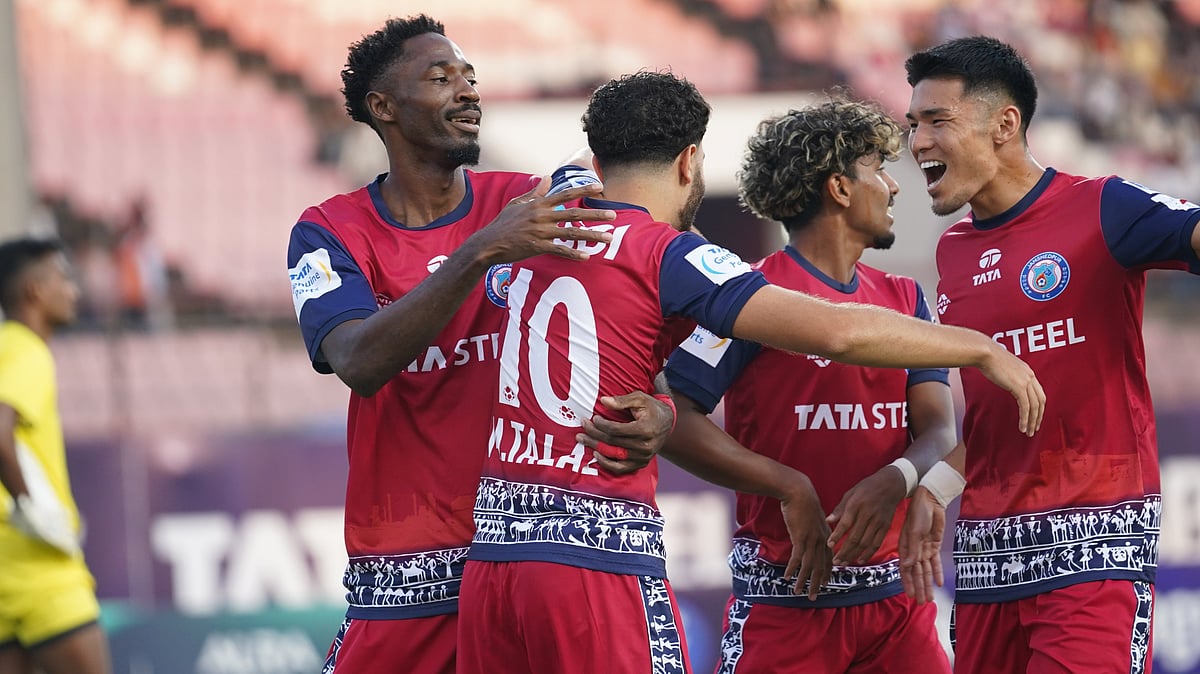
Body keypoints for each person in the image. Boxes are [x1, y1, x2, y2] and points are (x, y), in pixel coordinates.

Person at [456, 70, 1044, 674]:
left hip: (495, 551)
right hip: (603, 553)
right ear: (690, 161)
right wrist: (978, 348)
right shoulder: (677, 258)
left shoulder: (544, 222)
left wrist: (901, 477)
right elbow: (836, 332)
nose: (893, 185)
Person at [285, 15, 676, 674]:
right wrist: (482, 249)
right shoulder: (331, 230)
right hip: (406, 574)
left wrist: (661, 413)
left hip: (529, 559)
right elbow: (358, 361)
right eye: (442, 78)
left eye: (470, 77)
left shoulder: (531, 201)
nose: (468, 92)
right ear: (383, 108)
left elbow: (627, 344)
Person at [898, 35, 1200, 674]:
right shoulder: (952, 252)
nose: (918, 141)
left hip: (1095, 549)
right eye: (913, 124)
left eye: (936, 121)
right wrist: (936, 486)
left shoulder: (1103, 207)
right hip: (984, 562)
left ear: (1005, 124)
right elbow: (1000, 414)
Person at [660, 98, 954, 673]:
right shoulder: (750, 296)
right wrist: (787, 485)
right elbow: (675, 418)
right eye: (877, 169)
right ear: (840, 188)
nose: (894, 187)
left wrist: (901, 479)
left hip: (897, 612)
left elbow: (940, 429)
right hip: (784, 607)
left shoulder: (906, 299)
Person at [0, 238, 112, 674]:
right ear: (35, 292)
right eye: (63, 278)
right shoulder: (27, 349)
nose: (74, 290)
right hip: (40, 568)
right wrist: (32, 507)